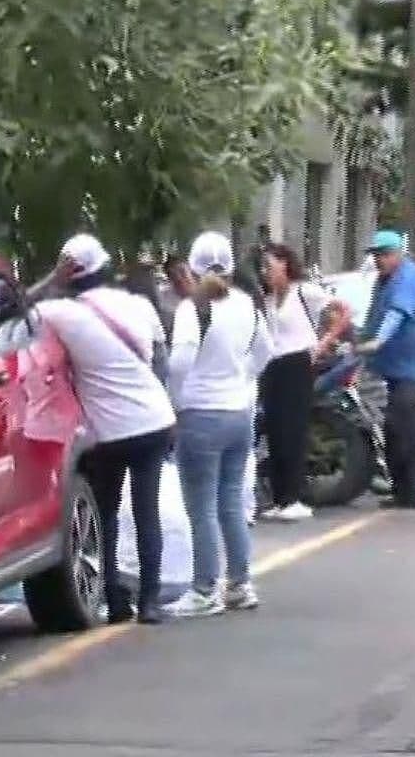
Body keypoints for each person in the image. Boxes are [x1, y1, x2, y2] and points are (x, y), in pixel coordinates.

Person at [27, 234, 176, 625]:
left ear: (70, 273)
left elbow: (17, 306)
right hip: (154, 420)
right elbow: (161, 361)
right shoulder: (138, 304)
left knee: (105, 514)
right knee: (147, 512)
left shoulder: (59, 311)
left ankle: (113, 598)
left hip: (108, 432)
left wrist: (51, 279)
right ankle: (150, 602)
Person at [165, 232, 275, 617]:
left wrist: (176, 403)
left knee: (202, 508)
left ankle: (204, 589)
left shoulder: (190, 308)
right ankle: (240, 584)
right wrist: (240, 379)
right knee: (230, 502)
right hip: (236, 415)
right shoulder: (247, 304)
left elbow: (179, 363)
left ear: (191, 268)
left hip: (200, 415)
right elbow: (265, 352)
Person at [355, 230, 415, 510]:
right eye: (376, 255)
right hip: (394, 366)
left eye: (384, 254)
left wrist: (378, 340)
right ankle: (401, 489)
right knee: (394, 427)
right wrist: (360, 340)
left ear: (398, 254)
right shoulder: (383, 280)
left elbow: (396, 314)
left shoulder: (409, 277)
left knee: (403, 418)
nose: (379, 260)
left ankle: (413, 492)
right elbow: (374, 315)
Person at [255, 243, 331, 524]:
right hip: (274, 365)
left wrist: (324, 343)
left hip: (298, 363)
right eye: (263, 268)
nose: (266, 273)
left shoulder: (304, 291)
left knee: (293, 430)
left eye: (270, 266)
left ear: (285, 265)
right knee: (275, 430)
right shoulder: (270, 298)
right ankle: (280, 497)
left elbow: (341, 312)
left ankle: (295, 497)